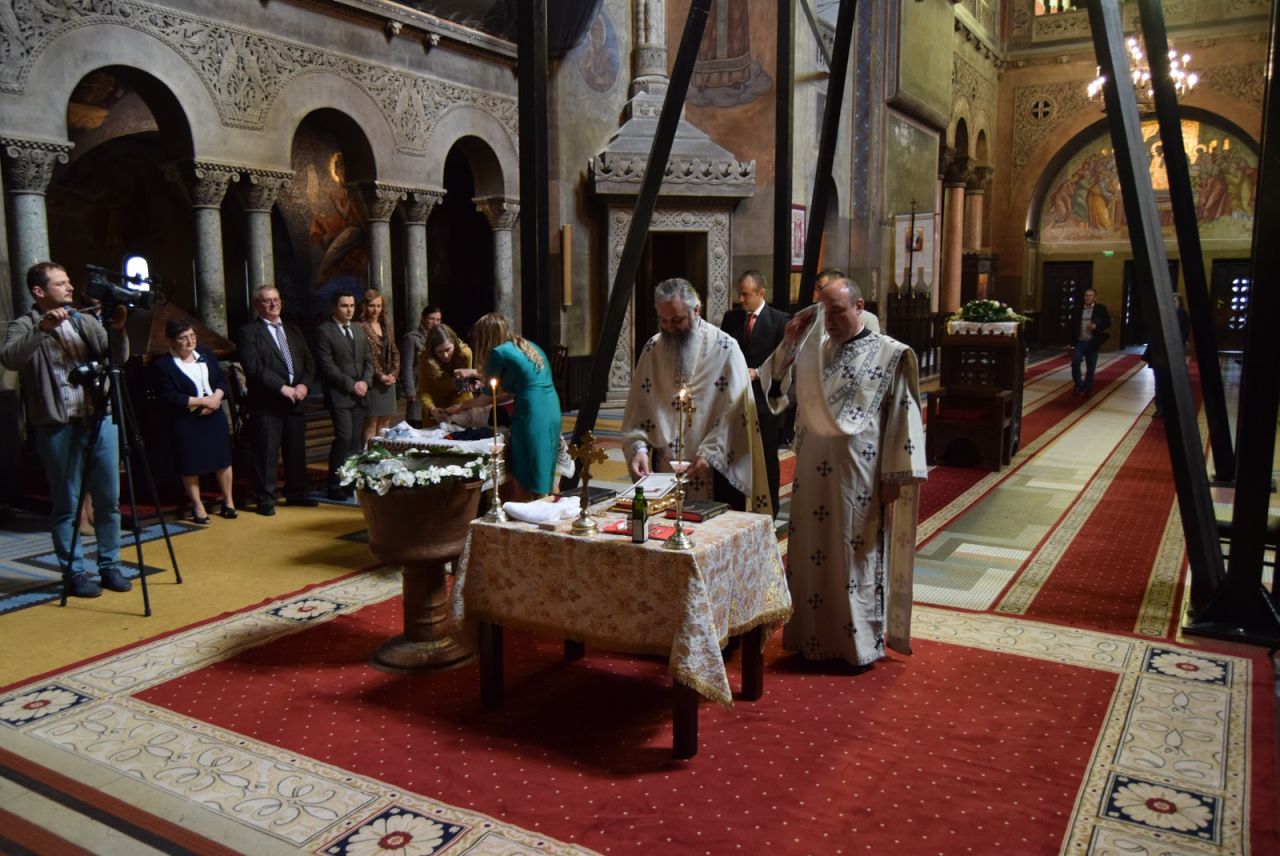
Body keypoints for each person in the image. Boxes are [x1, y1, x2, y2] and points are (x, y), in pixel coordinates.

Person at [757, 276, 927, 668]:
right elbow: (776, 387)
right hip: (811, 475)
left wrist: (894, 477)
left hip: (859, 478)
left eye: (837, 312)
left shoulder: (889, 354)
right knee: (810, 555)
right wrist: (789, 340)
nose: (830, 321)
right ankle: (809, 639)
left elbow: (902, 416)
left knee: (853, 558)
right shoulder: (813, 351)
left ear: (859, 307)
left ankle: (856, 646)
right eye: (825, 313)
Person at [1, 262, 132, 597]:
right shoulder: (24, 325)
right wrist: (42, 328)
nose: (70, 287)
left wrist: (118, 329)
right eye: (61, 283)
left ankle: (110, 566)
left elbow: (116, 359)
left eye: (69, 281)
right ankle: (74, 572)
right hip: (58, 426)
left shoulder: (84, 320)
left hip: (99, 420)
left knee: (109, 500)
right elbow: (11, 359)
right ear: (39, 292)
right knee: (67, 504)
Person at [620, 278, 770, 514]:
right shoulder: (652, 349)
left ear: (696, 310)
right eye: (663, 320)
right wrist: (638, 449)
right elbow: (639, 409)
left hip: (717, 473)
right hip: (663, 472)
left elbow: (738, 413)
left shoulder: (726, 349)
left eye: (677, 320)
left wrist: (710, 454)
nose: (669, 327)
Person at [448, 313, 561, 499]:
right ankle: (549, 507)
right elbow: (510, 392)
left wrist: (460, 407)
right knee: (543, 464)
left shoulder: (498, 352)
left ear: (485, 337)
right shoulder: (528, 346)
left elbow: (486, 398)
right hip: (551, 408)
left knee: (527, 469)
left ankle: (533, 510)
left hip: (530, 413)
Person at [235, 285, 318, 516]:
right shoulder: (248, 332)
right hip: (267, 403)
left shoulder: (293, 329)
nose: (273, 304)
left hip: (295, 401)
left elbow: (309, 362)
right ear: (257, 305)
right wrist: (282, 387)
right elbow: (254, 367)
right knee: (267, 453)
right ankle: (265, 499)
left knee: (296, 451)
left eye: (276, 299)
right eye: (267, 300)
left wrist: (304, 385)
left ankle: (296, 493)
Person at [153, 318, 236, 523]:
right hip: (186, 418)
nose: (190, 341)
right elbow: (169, 396)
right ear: (172, 340)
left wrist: (215, 399)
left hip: (214, 414)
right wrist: (203, 401)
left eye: (192, 336)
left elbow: (221, 381)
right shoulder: (164, 364)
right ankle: (198, 506)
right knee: (190, 462)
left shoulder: (206, 354)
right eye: (183, 338)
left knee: (223, 459)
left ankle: (229, 502)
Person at [719, 270, 789, 515]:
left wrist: (758, 373)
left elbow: (784, 361)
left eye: (746, 294)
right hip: (734, 400)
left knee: (765, 460)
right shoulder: (731, 318)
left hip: (763, 401)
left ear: (761, 293)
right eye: (739, 294)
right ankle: (733, 509)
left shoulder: (780, 320)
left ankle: (768, 513)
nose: (740, 299)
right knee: (733, 455)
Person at [315, 290, 373, 500]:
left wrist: (365, 381)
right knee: (344, 437)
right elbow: (327, 366)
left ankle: (349, 481)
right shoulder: (324, 331)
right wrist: (351, 385)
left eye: (352, 306)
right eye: (344, 306)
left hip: (361, 393)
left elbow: (368, 360)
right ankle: (334, 484)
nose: (349, 310)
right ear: (334, 307)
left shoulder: (359, 329)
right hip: (339, 394)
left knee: (355, 441)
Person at [359, 289, 399, 445]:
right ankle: (369, 454)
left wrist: (394, 373)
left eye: (378, 305)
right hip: (373, 380)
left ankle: (382, 452)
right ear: (365, 306)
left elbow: (395, 351)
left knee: (386, 421)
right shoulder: (361, 327)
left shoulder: (386, 325)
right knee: (372, 421)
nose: (375, 309)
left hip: (389, 379)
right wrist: (380, 375)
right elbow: (367, 356)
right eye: (371, 306)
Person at [1143, 292, 1192, 418]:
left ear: (1179, 303)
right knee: (1159, 382)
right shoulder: (1162, 314)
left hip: (1172, 353)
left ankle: (1169, 408)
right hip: (1158, 352)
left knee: (1170, 382)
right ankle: (1160, 408)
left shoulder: (1181, 314)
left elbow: (1182, 333)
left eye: (1174, 301)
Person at [418, 325, 475, 426]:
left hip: (460, 407)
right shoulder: (425, 358)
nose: (445, 355)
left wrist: (458, 408)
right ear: (432, 351)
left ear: (454, 344)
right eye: (439, 352)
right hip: (436, 409)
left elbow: (464, 387)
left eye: (448, 349)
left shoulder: (464, 354)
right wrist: (432, 409)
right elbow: (425, 390)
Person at [1069, 287, 1111, 396]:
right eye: (1086, 295)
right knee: (1075, 362)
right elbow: (1072, 325)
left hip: (1093, 342)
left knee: (1091, 367)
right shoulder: (1078, 309)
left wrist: (1096, 325)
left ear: (1095, 298)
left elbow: (1108, 322)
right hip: (1080, 341)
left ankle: (1087, 387)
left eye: (1090, 296)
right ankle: (1079, 384)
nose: (1088, 297)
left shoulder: (1100, 309)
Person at [814, 268, 880, 333]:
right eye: (816, 290)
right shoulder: (815, 317)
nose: (816, 295)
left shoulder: (867, 319)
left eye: (821, 289)